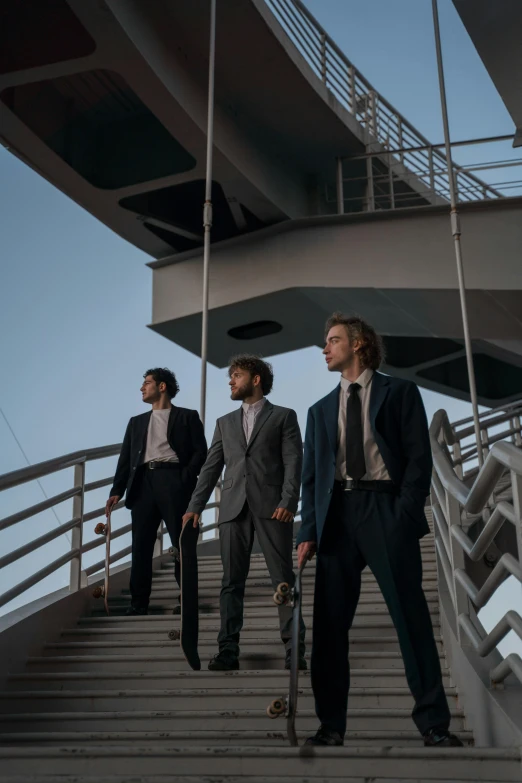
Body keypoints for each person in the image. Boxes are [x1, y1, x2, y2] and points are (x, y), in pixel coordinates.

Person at [297, 313, 463, 748]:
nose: (325, 348)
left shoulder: (401, 392)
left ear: (358, 344)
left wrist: (406, 514)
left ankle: (434, 725)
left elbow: (417, 458)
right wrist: (307, 532)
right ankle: (330, 726)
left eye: (333, 340)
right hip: (336, 517)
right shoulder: (318, 411)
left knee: (411, 620)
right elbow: (311, 478)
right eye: (325, 342)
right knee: (330, 630)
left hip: (385, 509)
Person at [183, 354, 305, 671]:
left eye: (236, 375)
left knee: (283, 580)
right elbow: (211, 468)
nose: (231, 381)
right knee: (230, 583)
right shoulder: (224, 423)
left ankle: (295, 648)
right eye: (230, 376)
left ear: (256, 379)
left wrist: (289, 502)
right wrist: (195, 506)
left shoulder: (283, 417)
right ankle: (228, 650)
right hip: (233, 509)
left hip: (272, 509)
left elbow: (294, 462)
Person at [106, 368, 207, 616]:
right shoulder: (136, 422)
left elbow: (200, 452)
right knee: (140, 545)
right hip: (142, 485)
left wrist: (185, 477)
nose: (142, 388)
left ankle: (188, 600)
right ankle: (138, 603)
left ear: (162, 387)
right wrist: (117, 489)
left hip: (174, 480)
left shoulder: (187, 416)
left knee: (181, 543)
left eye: (147, 383)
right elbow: (126, 458)